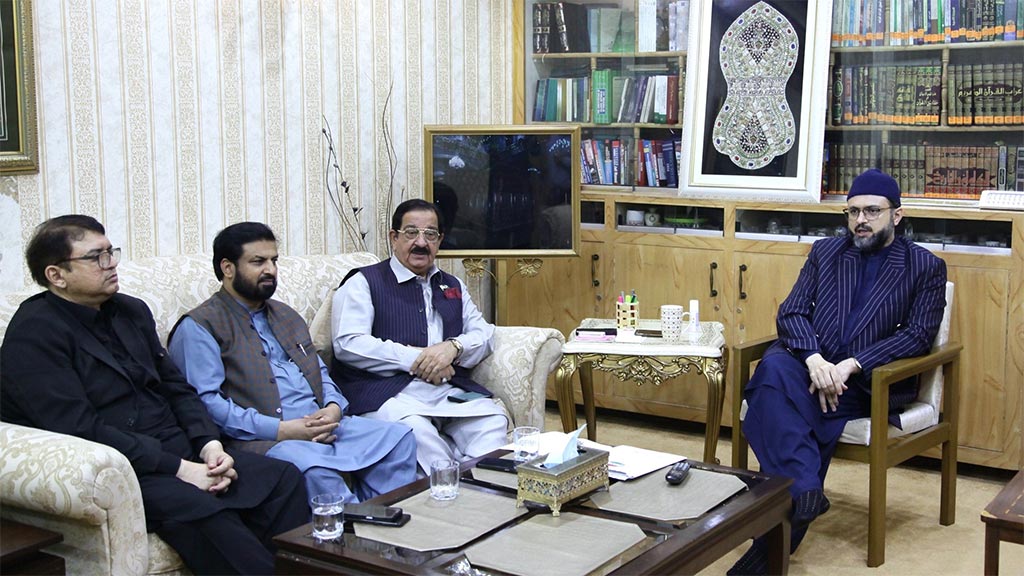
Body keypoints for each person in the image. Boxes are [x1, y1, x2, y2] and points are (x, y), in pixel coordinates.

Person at [0, 215, 309, 575]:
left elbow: (176, 387)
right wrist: (181, 470)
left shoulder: (131, 311)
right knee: (203, 511)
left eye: (111, 252)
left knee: (282, 479)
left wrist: (209, 445)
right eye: (96, 257)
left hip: (179, 446)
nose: (111, 263)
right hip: (127, 467)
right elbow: (78, 427)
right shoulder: (35, 332)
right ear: (57, 275)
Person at [729, 169, 948, 575]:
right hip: (812, 367)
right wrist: (815, 360)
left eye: (871, 211)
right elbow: (791, 312)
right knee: (774, 368)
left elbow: (918, 335)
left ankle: (772, 543)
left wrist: (851, 365)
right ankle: (806, 489)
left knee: (773, 397)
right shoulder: (825, 252)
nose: (861, 220)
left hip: (867, 380)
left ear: (896, 216)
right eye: (852, 212)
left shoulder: (925, 266)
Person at [167, 222, 417, 504]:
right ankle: (352, 541)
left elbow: (319, 373)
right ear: (227, 268)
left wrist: (333, 409)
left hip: (323, 429)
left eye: (274, 260)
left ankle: (388, 520)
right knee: (313, 470)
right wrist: (282, 430)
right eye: (258, 261)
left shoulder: (285, 315)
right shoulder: (200, 327)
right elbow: (206, 404)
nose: (270, 270)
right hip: (264, 440)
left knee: (399, 437)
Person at [330, 198, 508, 473]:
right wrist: (419, 359)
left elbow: (483, 332)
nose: (421, 243)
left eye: (430, 234)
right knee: (415, 431)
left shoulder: (452, 284)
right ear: (394, 237)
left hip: (444, 392)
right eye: (411, 232)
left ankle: (479, 487)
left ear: (440, 240)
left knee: (492, 419)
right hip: (387, 395)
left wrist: (453, 348)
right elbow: (348, 343)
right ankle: (449, 493)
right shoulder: (363, 282)